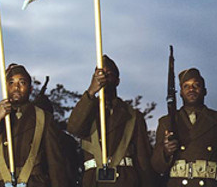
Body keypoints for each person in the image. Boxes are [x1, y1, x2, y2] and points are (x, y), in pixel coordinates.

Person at [0, 63, 70, 187]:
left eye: (22, 83)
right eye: (11, 83)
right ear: (5, 87)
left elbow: (56, 165)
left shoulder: (43, 118)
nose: (16, 87)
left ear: (30, 89)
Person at [67, 55, 158, 187]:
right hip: (94, 181)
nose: (104, 78)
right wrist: (91, 91)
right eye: (100, 74)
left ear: (117, 81)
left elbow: (143, 160)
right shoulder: (87, 110)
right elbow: (73, 128)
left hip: (125, 180)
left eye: (109, 74)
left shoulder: (133, 116)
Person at [151, 68, 217, 187]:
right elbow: (156, 167)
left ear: (204, 91)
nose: (191, 89)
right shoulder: (166, 122)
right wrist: (166, 152)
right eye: (186, 86)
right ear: (181, 92)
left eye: (196, 85)